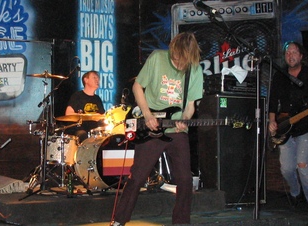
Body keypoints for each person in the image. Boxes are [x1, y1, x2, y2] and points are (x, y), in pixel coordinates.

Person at [110, 32, 203, 226]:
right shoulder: (157, 58)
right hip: (151, 127)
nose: (177, 61)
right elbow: (137, 87)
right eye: (175, 56)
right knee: (137, 176)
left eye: (182, 59)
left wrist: (185, 119)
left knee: (185, 180)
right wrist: (147, 114)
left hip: (176, 131)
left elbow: (190, 105)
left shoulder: (195, 69)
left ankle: (181, 222)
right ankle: (119, 221)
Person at [268, 41, 308, 215]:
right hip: (285, 127)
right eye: (287, 53)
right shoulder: (279, 76)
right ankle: (296, 192)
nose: (290, 55)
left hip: (307, 126)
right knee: (286, 168)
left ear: (301, 56)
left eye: (294, 52)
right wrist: (271, 122)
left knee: (303, 165)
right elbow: (272, 101)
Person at [63, 70, 105, 142]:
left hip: (93, 131)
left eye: (98, 78)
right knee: (82, 134)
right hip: (79, 130)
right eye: (94, 77)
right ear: (86, 80)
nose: (97, 80)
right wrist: (87, 116)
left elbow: (102, 116)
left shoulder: (97, 99)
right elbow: (68, 114)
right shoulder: (77, 96)